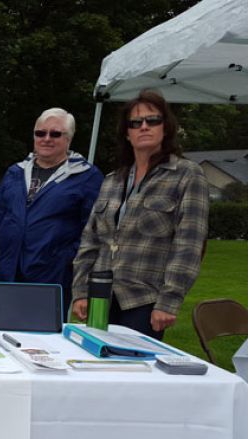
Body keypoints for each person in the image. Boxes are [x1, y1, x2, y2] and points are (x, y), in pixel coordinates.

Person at [71, 90, 209, 339]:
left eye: (152, 120)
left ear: (165, 127)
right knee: (93, 367)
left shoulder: (187, 174)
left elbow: (189, 245)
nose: (144, 127)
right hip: (100, 297)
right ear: (127, 133)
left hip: (144, 299)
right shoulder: (113, 180)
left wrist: (169, 301)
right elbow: (90, 240)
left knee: (134, 371)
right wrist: (81, 290)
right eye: (135, 123)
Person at [0, 108, 104, 319]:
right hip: (9, 273)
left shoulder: (86, 177)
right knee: (5, 333)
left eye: (55, 134)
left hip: (52, 276)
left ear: (69, 139)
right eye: (40, 133)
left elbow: (94, 230)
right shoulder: (15, 173)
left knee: (44, 340)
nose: (46, 139)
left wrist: (66, 260)